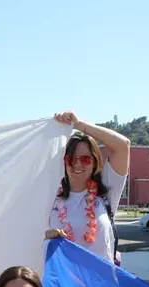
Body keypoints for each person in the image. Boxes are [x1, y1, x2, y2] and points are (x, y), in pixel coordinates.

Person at [45, 111, 131, 264]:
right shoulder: (50, 195)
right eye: (71, 158)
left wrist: (79, 125)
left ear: (95, 162)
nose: (77, 164)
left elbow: (123, 146)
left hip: (102, 285)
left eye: (85, 159)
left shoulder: (106, 190)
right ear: (64, 162)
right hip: (66, 285)